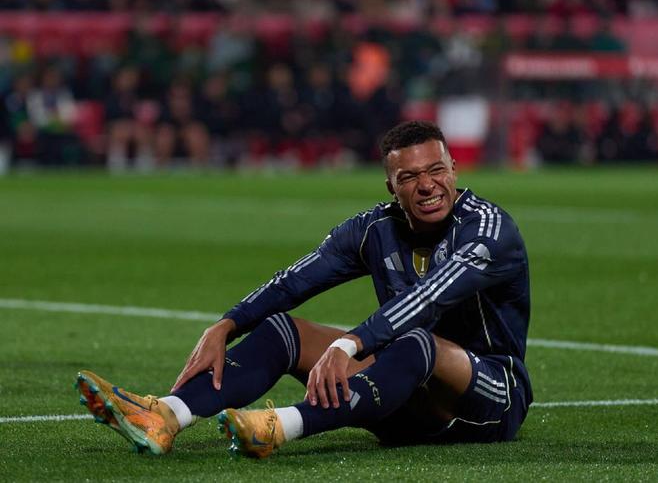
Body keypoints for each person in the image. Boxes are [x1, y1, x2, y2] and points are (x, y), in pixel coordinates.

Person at [77, 120, 533, 457]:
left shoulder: (489, 230)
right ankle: (167, 415)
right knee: (282, 331)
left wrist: (349, 344)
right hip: (399, 398)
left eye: (435, 170)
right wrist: (227, 324)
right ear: (391, 186)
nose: (427, 185)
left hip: (488, 399)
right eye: (409, 177)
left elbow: (428, 297)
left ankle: (281, 426)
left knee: (417, 341)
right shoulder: (373, 229)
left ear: (454, 168)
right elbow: (294, 280)